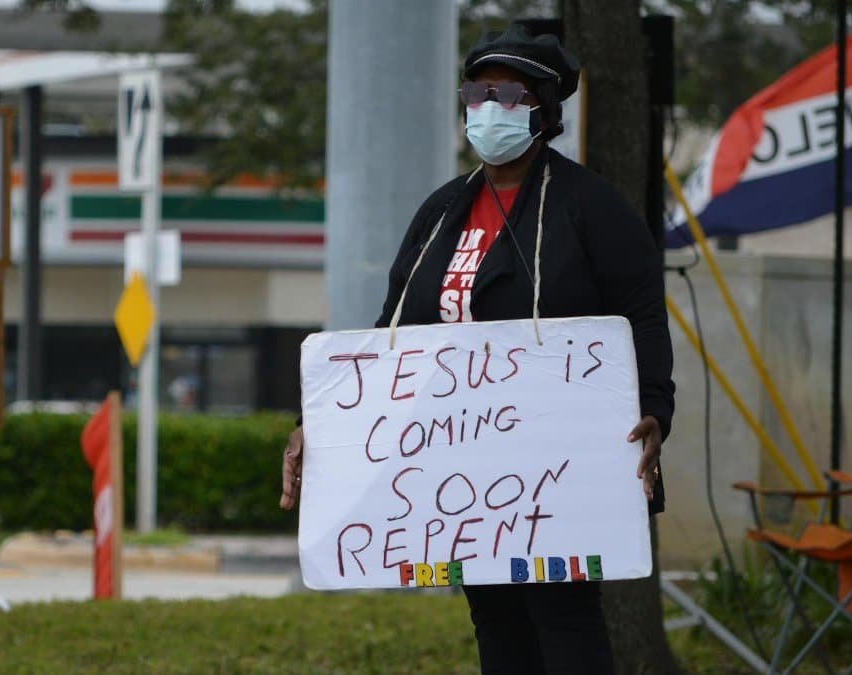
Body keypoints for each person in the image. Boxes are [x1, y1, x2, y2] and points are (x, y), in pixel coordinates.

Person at [279, 23, 675, 675]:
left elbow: (641, 318)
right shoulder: (441, 212)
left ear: (544, 111)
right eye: (478, 92)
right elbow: (393, 333)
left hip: (561, 471)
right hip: (468, 477)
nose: (490, 108)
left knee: (563, 613)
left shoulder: (592, 208)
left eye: (510, 95)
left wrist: (656, 408)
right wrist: (314, 424)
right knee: (493, 614)